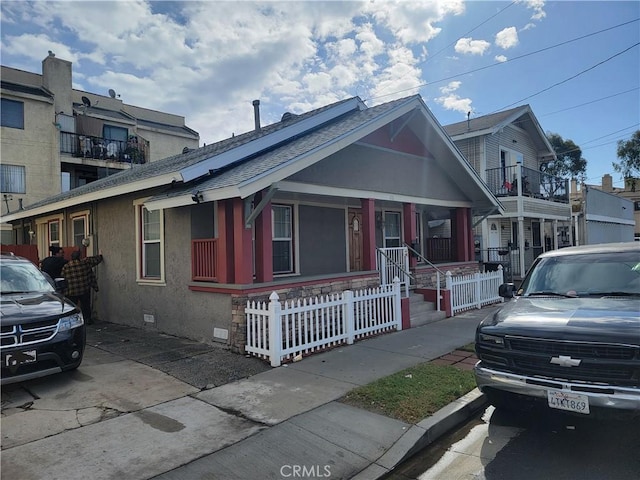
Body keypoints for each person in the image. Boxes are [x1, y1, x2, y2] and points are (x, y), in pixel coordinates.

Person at [61, 250, 103, 324]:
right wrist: (100, 255)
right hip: (84, 289)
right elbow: (96, 260)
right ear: (79, 257)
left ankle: (72, 321)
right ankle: (87, 319)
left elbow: (63, 277)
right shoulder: (84, 263)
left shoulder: (66, 266)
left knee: (72, 307)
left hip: (72, 291)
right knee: (86, 305)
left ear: (71, 257)